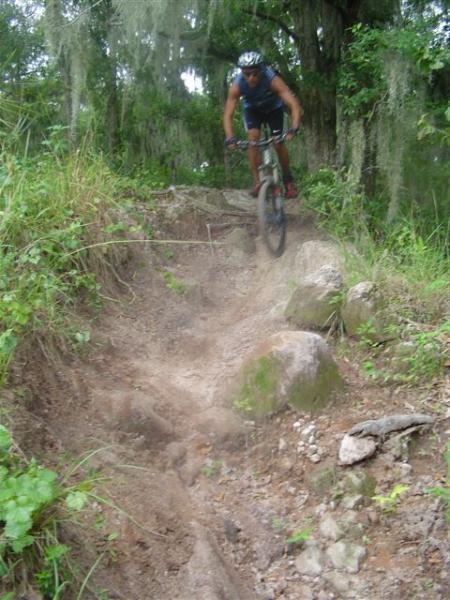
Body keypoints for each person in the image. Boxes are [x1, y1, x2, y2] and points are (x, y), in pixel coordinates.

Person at [223, 50, 301, 199]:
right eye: (246, 74)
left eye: (254, 73)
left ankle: (288, 180)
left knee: (278, 142)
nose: (250, 78)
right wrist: (230, 137)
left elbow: (293, 104)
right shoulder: (237, 85)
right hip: (253, 110)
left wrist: (294, 127)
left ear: (261, 70)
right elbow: (228, 114)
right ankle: (258, 182)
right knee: (253, 139)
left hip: (274, 109)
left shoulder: (272, 80)